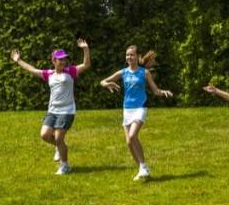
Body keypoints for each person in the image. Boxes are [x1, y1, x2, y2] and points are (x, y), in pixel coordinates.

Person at [10, 39, 91, 175]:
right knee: (45, 135)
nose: (63, 61)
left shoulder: (70, 71)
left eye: (64, 59)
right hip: (52, 111)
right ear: (54, 60)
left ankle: (65, 165)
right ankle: (59, 147)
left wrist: (85, 48)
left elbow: (86, 64)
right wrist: (18, 60)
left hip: (67, 111)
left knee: (58, 138)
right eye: (60, 59)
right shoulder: (49, 74)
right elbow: (32, 70)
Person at [101, 45, 173, 180]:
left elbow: (155, 91)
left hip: (140, 107)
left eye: (132, 55)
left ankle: (143, 167)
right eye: (127, 55)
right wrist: (107, 84)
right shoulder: (123, 72)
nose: (129, 57)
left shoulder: (144, 73)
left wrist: (163, 92)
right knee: (129, 142)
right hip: (127, 109)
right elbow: (102, 81)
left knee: (133, 135)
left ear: (137, 56)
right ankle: (142, 168)